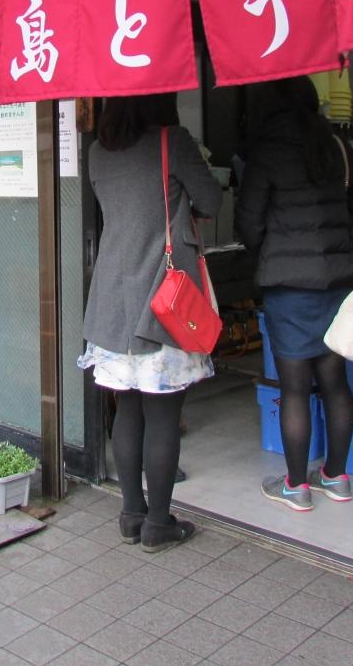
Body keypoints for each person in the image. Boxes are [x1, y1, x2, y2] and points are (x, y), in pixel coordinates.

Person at [80, 94, 222, 553]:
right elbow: (212, 201)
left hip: (112, 297)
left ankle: (131, 516)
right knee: (163, 413)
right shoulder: (171, 141)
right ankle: (159, 524)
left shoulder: (97, 152)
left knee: (127, 408)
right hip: (163, 296)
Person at [236, 76, 353, 512]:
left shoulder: (267, 150)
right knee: (336, 382)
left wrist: (273, 249)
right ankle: (336, 478)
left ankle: (296, 486)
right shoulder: (334, 144)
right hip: (336, 281)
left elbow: (248, 223)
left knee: (295, 388)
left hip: (289, 288)